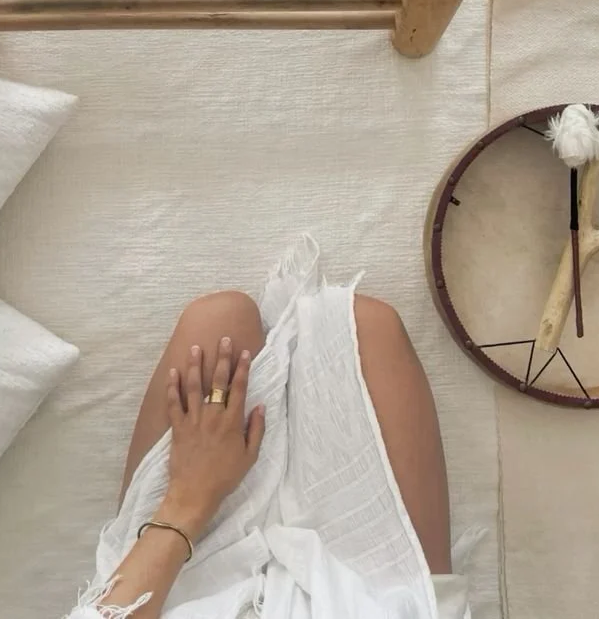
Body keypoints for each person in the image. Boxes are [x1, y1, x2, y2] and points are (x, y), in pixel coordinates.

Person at [64, 239, 470, 619]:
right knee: (365, 325)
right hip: (364, 603)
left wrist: (189, 495)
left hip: (176, 585)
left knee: (219, 323)